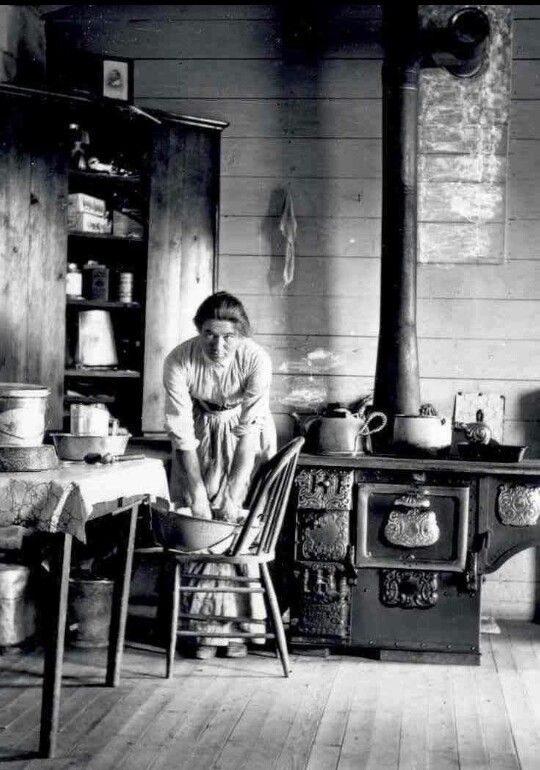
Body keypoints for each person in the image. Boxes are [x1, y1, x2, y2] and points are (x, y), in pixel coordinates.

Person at [162, 291, 277, 658]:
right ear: (200, 331)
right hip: (199, 433)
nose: (219, 345)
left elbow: (249, 434)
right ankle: (203, 632)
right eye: (210, 334)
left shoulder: (255, 359)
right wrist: (197, 495)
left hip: (246, 434)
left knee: (234, 524)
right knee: (200, 523)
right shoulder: (180, 360)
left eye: (228, 336)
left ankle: (241, 631)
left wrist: (234, 493)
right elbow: (182, 436)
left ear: (240, 335)